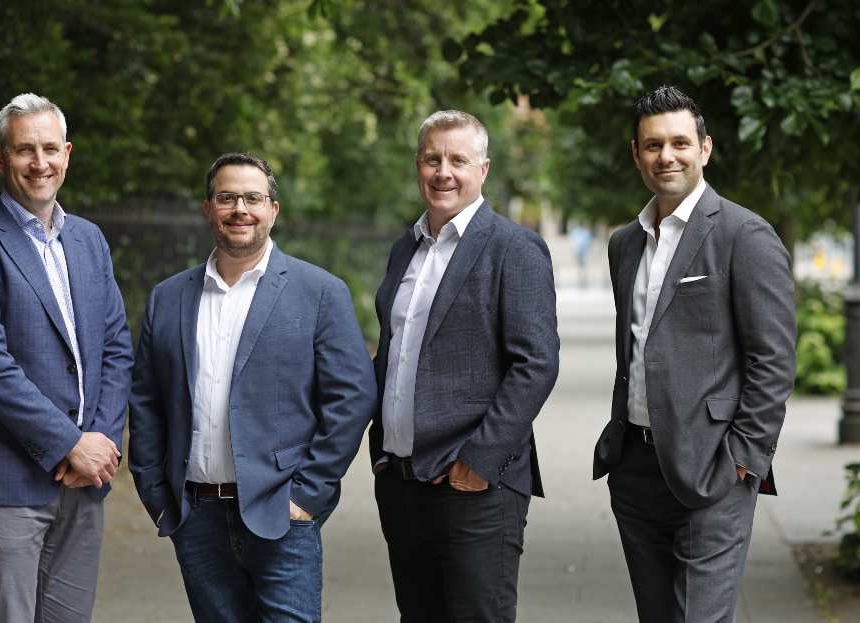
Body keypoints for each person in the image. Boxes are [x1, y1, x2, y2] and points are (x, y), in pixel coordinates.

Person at [128, 152, 376, 622]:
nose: (240, 208)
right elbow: (146, 401)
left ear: (273, 210)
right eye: (227, 197)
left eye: (252, 197)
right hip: (195, 515)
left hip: (282, 515)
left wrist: (307, 495)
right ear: (208, 209)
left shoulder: (320, 292)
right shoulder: (169, 297)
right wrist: (157, 496)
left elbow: (352, 397)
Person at [592, 85, 796, 622]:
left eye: (680, 142)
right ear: (636, 154)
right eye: (653, 145)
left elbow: (772, 360)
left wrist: (744, 461)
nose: (667, 157)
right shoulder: (624, 244)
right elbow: (635, 347)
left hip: (713, 469)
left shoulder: (743, 235)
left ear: (705, 148)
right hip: (635, 468)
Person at [0, 93, 133, 622]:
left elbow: (116, 347)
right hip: (5, 479)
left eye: (50, 149)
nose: (39, 163)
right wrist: (69, 443)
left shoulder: (89, 240)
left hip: (84, 482)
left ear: (67, 153)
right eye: (25, 150)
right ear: (0, 159)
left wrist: (102, 443)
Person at [369, 110, 559, 622]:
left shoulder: (513, 248)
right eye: (433, 159)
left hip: (476, 486)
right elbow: (394, 353)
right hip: (403, 481)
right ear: (418, 166)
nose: (443, 172)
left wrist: (479, 461)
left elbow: (536, 364)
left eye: (458, 160)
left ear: (484, 170)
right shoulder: (404, 249)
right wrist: (383, 457)